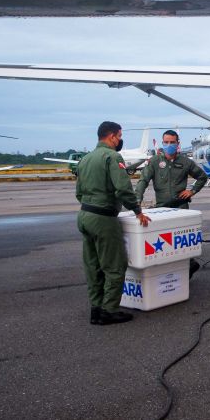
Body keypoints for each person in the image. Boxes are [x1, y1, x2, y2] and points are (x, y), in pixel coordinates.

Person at [76, 121, 151, 325]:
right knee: (115, 266)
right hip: (103, 218)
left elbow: (79, 193)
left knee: (93, 266)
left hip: (84, 216)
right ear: (111, 137)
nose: (120, 140)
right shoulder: (112, 156)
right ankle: (109, 310)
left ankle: (96, 309)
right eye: (119, 136)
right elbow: (123, 188)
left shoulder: (85, 159)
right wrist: (137, 210)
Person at [135, 130, 208, 277]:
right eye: (166, 142)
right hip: (162, 209)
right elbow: (143, 181)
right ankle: (168, 273)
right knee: (164, 243)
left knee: (182, 242)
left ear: (177, 143)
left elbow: (202, 177)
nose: (169, 145)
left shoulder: (186, 162)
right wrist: (137, 201)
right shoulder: (155, 161)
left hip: (181, 207)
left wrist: (192, 191)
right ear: (162, 143)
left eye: (172, 142)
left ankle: (188, 267)